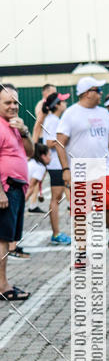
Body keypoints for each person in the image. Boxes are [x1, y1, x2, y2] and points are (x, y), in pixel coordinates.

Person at [56, 76, 109, 266]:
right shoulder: (71, 114)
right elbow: (59, 144)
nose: (101, 94)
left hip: (102, 170)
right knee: (81, 214)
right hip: (79, 171)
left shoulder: (104, 113)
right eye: (98, 90)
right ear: (87, 93)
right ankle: (81, 252)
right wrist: (65, 169)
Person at [0, 83, 34, 300]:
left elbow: (30, 152)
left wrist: (25, 132)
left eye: (15, 102)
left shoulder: (13, 125)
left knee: (6, 238)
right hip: (6, 187)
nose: (13, 106)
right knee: (2, 239)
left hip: (16, 187)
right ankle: (3, 287)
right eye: (7, 102)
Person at [41, 90, 71, 244]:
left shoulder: (56, 119)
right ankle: (56, 234)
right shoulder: (52, 120)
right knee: (55, 199)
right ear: (57, 105)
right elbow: (48, 142)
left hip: (60, 164)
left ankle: (57, 233)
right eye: (63, 101)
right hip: (56, 165)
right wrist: (66, 139)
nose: (65, 104)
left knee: (60, 198)